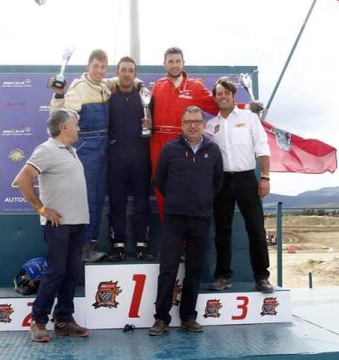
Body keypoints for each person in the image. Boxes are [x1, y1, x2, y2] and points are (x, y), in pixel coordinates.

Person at [13, 109, 90, 342]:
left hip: (78, 222)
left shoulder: (71, 150)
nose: (79, 127)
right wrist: (42, 209)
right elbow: (21, 180)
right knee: (55, 272)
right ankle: (38, 320)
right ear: (64, 127)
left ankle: (64, 320)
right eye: (76, 124)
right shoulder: (46, 150)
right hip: (59, 225)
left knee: (70, 273)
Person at [149, 106, 223, 336]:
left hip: (200, 217)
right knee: (168, 269)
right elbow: (159, 181)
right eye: (188, 121)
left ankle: (188, 317)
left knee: (194, 270)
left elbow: (217, 183)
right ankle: (161, 318)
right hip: (175, 218)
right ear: (181, 125)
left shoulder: (213, 150)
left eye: (197, 121)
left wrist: (202, 201)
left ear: (203, 124)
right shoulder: (170, 149)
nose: (193, 125)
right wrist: (176, 199)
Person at [205, 77, 273, 294]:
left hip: (246, 179)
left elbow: (262, 148)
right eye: (219, 93)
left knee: (255, 229)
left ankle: (262, 277)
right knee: (222, 231)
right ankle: (223, 276)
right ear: (215, 98)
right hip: (222, 182)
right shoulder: (210, 126)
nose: (223, 96)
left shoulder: (249, 118)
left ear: (234, 96)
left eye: (227, 92)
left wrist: (265, 177)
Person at [49, 49, 111, 262]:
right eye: (95, 66)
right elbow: (61, 116)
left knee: (98, 197)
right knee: (87, 199)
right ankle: (83, 246)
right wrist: (58, 95)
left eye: (103, 67)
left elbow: (125, 79)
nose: (99, 71)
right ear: (88, 66)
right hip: (87, 148)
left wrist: (139, 84)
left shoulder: (105, 86)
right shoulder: (78, 88)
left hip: (104, 147)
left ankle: (90, 243)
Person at [149, 47, 218, 220]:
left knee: (184, 189)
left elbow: (219, 106)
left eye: (177, 61)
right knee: (160, 188)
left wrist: (247, 108)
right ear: (164, 64)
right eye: (170, 61)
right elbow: (145, 111)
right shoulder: (157, 87)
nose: (174, 65)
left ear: (183, 63)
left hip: (184, 143)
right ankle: (171, 238)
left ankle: (187, 242)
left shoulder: (195, 87)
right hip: (158, 142)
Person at [106, 56, 156, 262]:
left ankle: (142, 245)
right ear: (117, 72)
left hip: (140, 154)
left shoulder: (145, 96)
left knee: (142, 202)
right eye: (123, 70)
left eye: (130, 70)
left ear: (135, 74)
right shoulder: (108, 94)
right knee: (116, 202)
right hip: (116, 154)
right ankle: (118, 245)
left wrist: (150, 124)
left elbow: (153, 125)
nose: (127, 74)